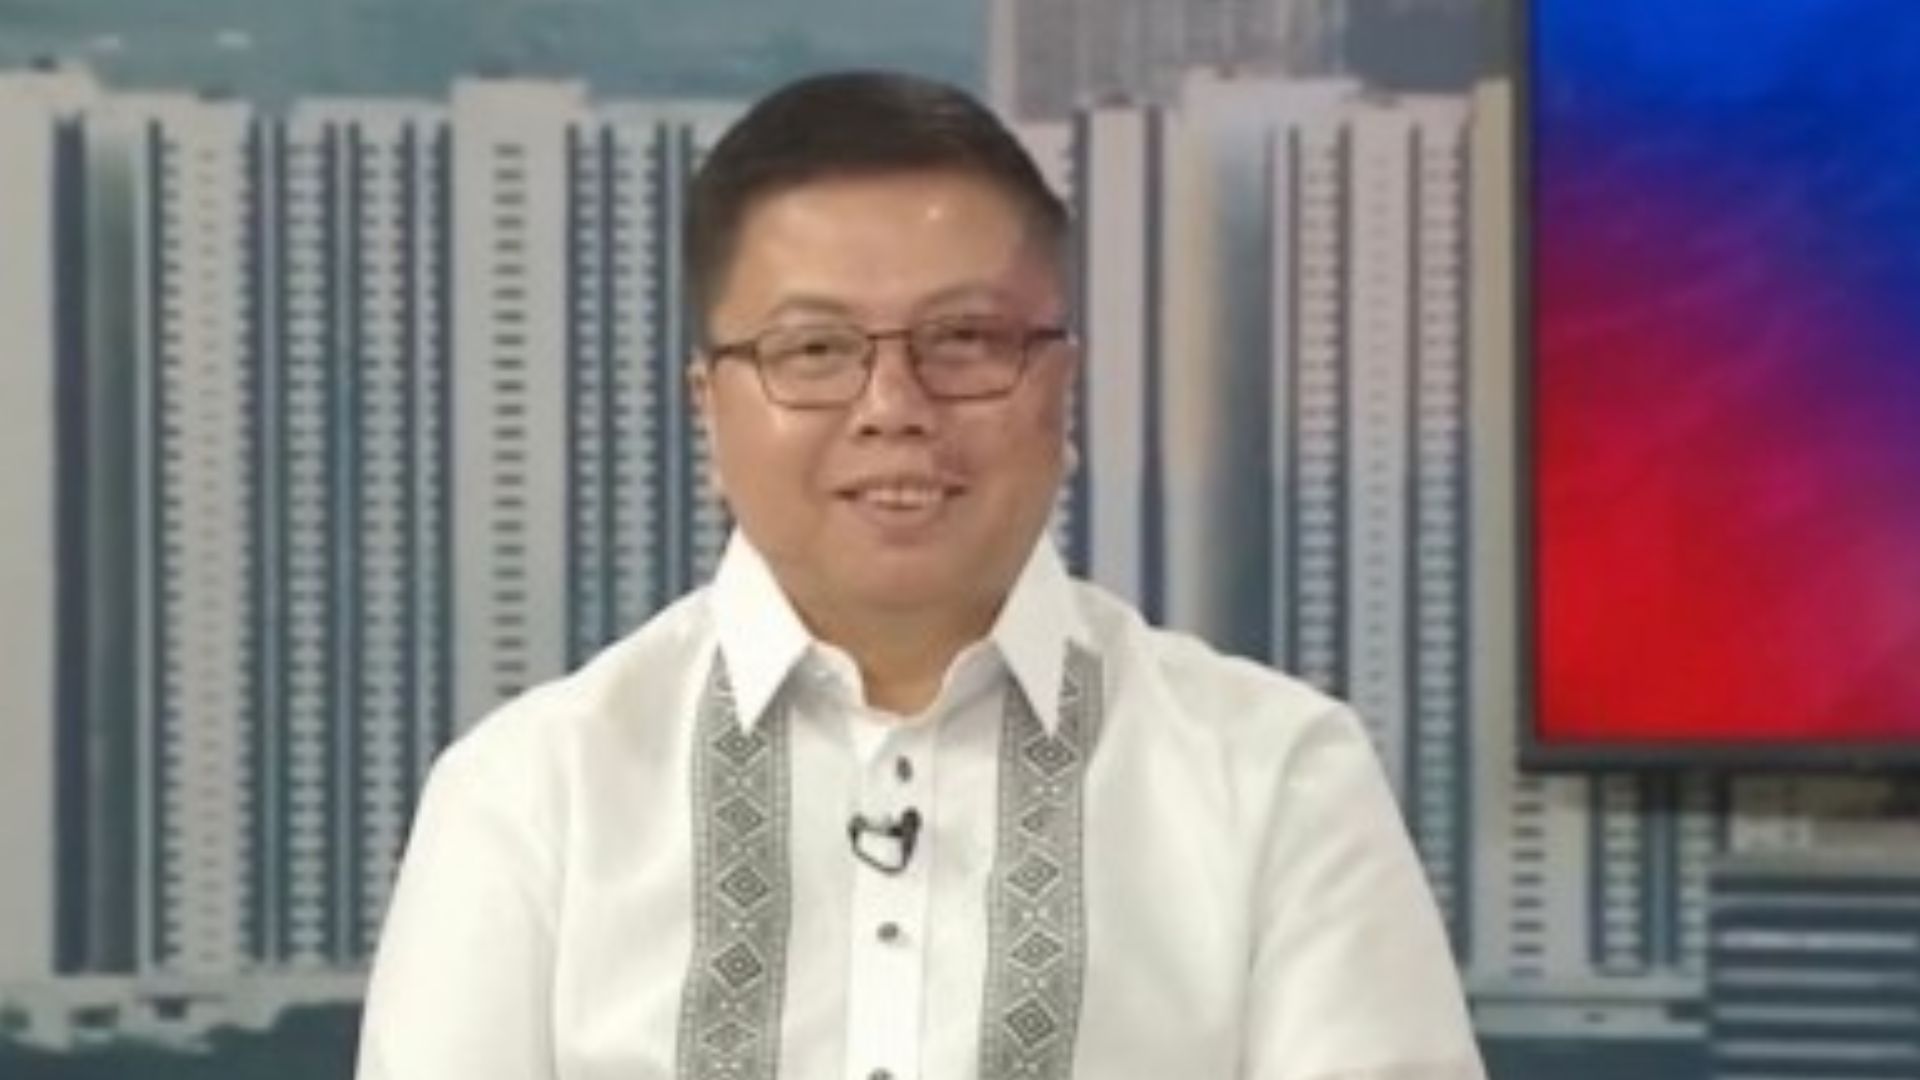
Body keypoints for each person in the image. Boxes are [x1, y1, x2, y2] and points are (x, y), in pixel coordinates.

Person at [355, 69, 1485, 1080]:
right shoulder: (531, 796)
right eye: (814, 350)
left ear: (1062, 385)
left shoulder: (1276, 779)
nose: (893, 408)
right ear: (709, 407)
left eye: (966, 341)